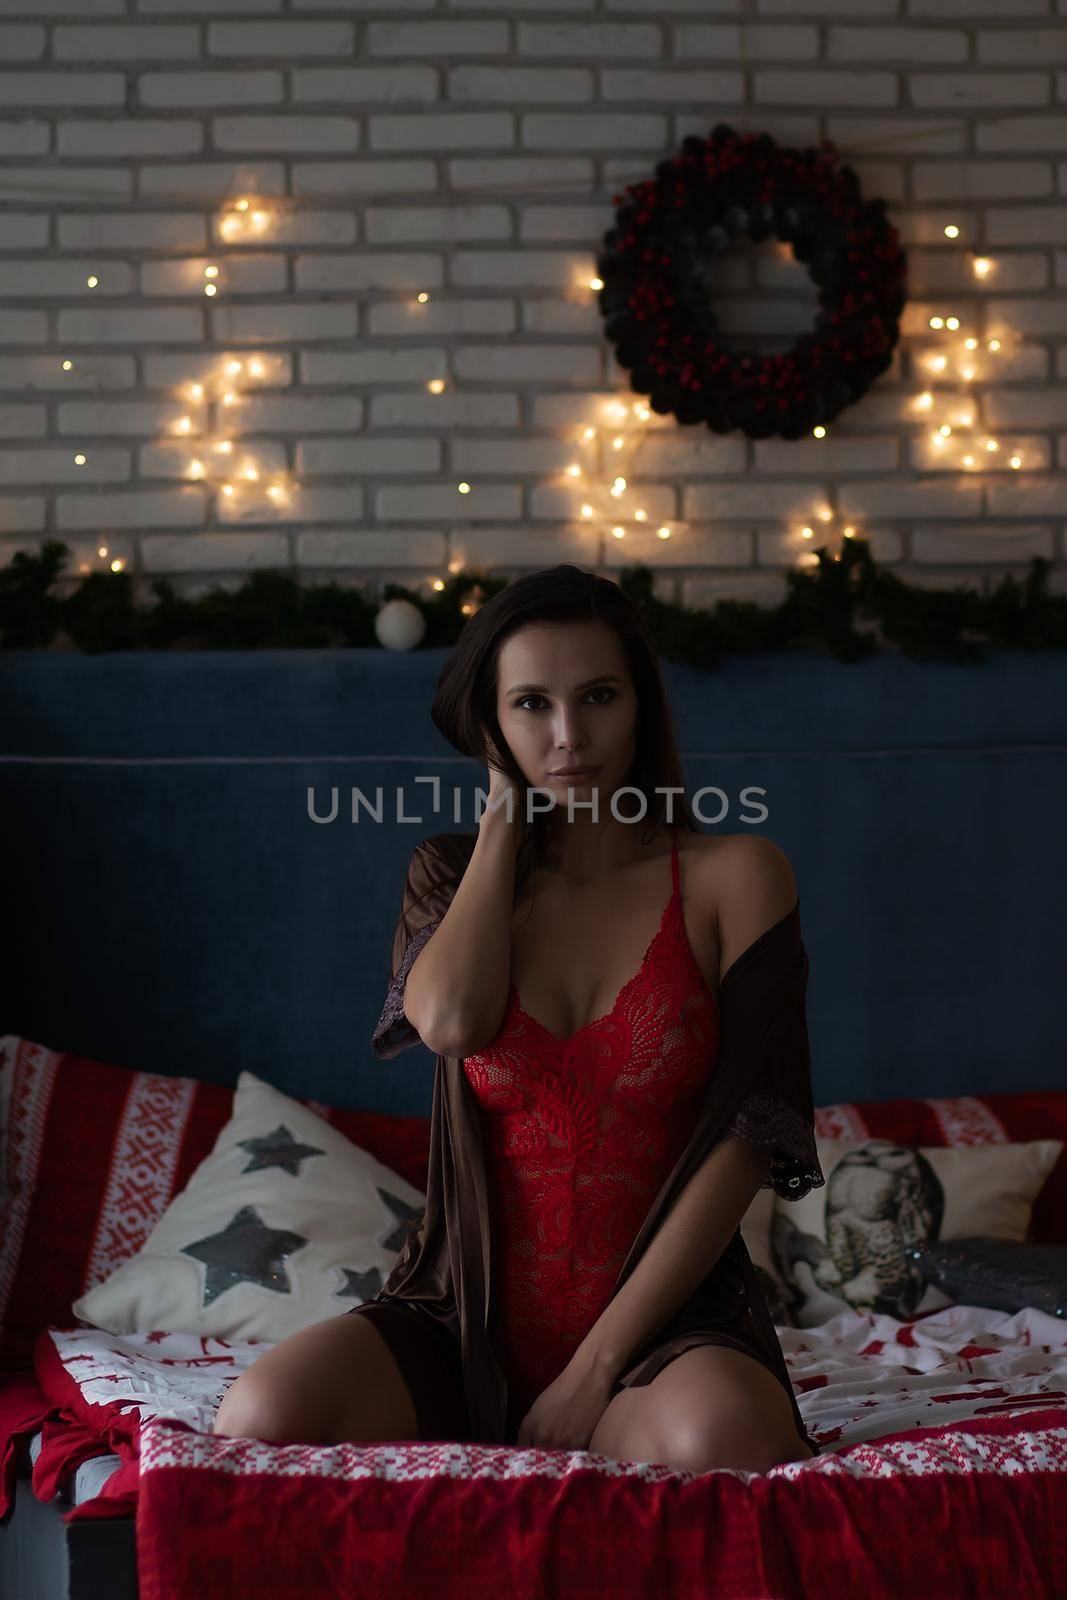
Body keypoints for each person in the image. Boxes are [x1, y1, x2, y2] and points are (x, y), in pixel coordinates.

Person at [213, 564, 824, 1474]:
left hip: (660, 1342)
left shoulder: (735, 877)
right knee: (260, 1416)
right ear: (490, 725)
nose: (569, 736)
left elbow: (747, 1142)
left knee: (722, 1439)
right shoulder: (449, 878)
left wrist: (593, 1370)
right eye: (531, 705)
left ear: (642, 706)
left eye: (599, 697)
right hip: (456, 1320)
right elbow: (451, 1023)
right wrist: (504, 817)